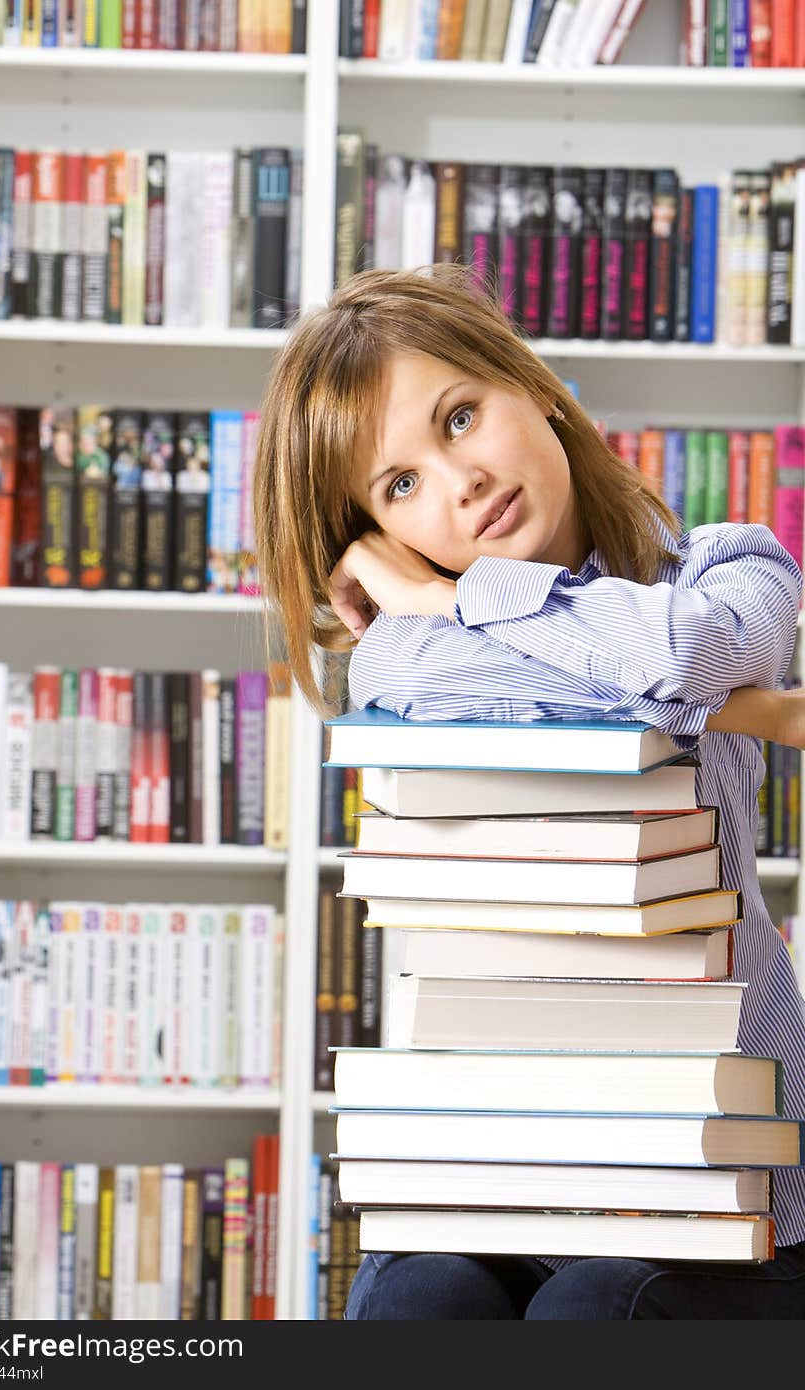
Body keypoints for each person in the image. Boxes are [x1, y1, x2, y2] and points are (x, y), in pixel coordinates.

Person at [253, 264, 805, 1319]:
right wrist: (749, 709)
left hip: (726, 1172)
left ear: (534, 384)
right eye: (399, 486)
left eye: (459, 417)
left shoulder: (730, 568)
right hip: (499, 1157)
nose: (458, 483)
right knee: (419, 1306)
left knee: (587, 1315)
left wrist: (440, 597)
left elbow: (688, 652)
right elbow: (393, 673)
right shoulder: (402, 656)